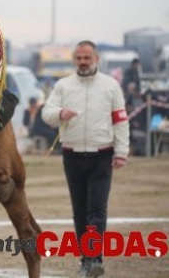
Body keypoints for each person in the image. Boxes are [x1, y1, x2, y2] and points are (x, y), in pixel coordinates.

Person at [42, 40, 129, 278]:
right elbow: (46, 114)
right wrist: (61, 113)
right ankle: (85, 260)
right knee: (80, 213)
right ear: (75, 60)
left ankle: (94, 260)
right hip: (72, 155)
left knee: (97, 211)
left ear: (96, 59)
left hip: (102, 154)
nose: (82, 62)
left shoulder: (111, 86)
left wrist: (121, 152)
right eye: (79, 58)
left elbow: (120, 121)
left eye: (87, 58)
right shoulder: (63, 85)